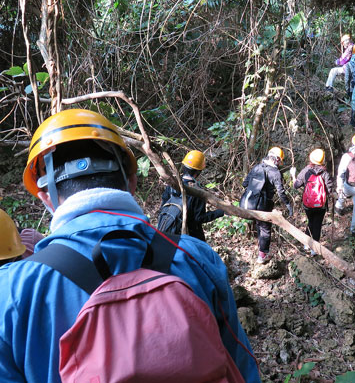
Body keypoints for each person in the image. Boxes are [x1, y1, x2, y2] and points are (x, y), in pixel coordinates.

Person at [0, 109, 259, 382]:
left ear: (45, 197)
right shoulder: (198, 259)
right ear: (131, 181)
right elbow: (240, 366)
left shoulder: (11, 292)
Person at [160, 150, 224, 241]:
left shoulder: (171, 185)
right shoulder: (197, 191)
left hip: (167, 233)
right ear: (199, 171)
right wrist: (220, 212)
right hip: (191, 238)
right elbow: (199, 218)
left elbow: (163, 207)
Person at [243, 146, 293, 264]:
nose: (280, 163)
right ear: (276, 159)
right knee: (265, 228)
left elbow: (245, 183)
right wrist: (288, 204)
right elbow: (280, 192)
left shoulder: (257, 167)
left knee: (259, 226)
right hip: (264, 204)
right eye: (280, 160)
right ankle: (262, 256)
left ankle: (260, 251)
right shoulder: (275, 173)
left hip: (251, 203)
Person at [291, 149, 334, 256]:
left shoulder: (306, 171)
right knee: (317, 224)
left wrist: (293, 175)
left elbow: (296, 185)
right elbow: (329, 191)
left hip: (308, 204)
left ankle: (306, 244)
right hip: (321, 205)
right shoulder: (325, 173)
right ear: (323, 160)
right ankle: (314, 249)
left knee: (310, 222)